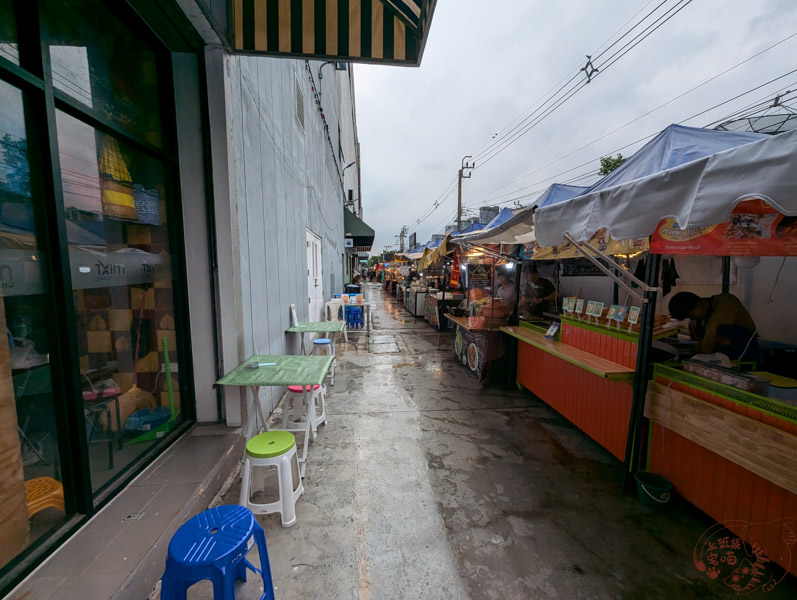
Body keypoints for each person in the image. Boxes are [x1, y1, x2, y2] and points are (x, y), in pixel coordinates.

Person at [668, 292, 759, 362]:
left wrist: (702, 357)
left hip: (746, 350)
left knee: (723, 330)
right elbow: (700, 340)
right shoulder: (701, 315)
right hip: (724, 352)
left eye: (691, 315)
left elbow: (710, 335)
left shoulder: (726, 301)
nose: (692, 319)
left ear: (701, 304)